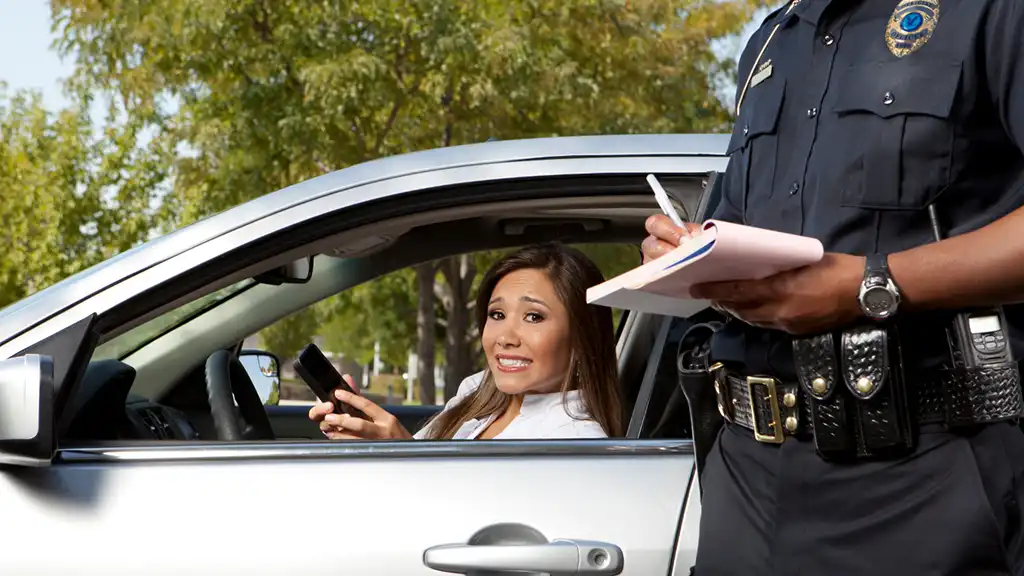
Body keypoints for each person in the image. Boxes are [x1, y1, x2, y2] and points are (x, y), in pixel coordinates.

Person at [643, 0, 1024, 573]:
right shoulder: (772, 39)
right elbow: (740, 227)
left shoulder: (991, 13)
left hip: (926, 473)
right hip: (748, 478)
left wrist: (872, 285)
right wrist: (685, 252)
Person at [308, 242, 625, 440]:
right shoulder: (475, 394)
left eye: (533, 317)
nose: (505, 338)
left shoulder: (576, 443)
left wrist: (401, 456)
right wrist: (368, 434)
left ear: (582, 337)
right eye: (497, 314)